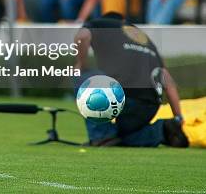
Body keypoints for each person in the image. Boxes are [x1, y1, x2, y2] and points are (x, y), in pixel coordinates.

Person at [74, 12, 188, 147]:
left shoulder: (99, 23)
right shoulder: (144, 38)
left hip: (125, 99)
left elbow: (82, 35)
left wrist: (82, 65)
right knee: (125, 138)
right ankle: (162, 130)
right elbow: (167, 79)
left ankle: (102, 136)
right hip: (149, 105)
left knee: (81, 75)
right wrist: (178, 117)